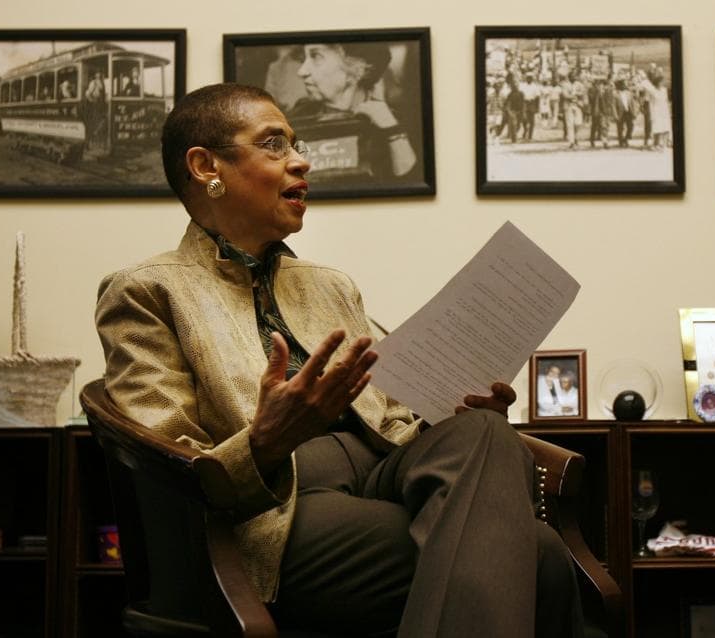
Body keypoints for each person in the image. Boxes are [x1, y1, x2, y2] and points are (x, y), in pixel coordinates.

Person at [94, 82, 583, 638]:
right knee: (538, 553)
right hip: (277, 504)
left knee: (487, 433)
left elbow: (392, 416)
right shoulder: (146, 291)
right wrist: (266, 442)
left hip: (381, 469)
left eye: (296, 145)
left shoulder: (330, 286)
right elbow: (172, 463)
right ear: (207, 166)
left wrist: (452, 406)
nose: (302, 161)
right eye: (275, 144)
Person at [291, 43, 418, 182]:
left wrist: (392, 130)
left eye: (316, 56)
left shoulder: (394, 121)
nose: (301, 71)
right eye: (304, 58)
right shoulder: (299, 116)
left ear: (357, 69)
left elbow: (412, 187)